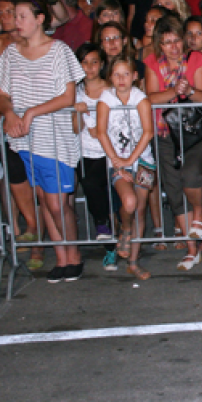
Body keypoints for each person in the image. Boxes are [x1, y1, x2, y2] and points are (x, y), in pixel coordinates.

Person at [0, 0, 86, 284]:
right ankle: (61, 258)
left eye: (21, 16)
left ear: (39, 19)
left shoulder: (59, 51)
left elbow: (68, 96)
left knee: (58, 203)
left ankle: (75, 254)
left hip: (55, 137)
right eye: (13, 16)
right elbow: (1, 94)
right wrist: (9, 113)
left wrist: (32, 111)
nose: (16, 21)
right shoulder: (10, 53)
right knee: (45, 199)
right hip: (25, 139)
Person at [144, 17, 202, 271]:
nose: (173, 47)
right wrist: (173, 91)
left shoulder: (197, 60)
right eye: (167, 42)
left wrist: (189, 90)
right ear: (160, 45)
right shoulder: (151, 64)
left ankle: (199, 215)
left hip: (193, 131)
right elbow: (151, 99)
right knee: (172, 189)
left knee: (191, 175)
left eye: (176, 40)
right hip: (164, 132)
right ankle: (192, 250)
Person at [98, 57, 156, 281]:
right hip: (117, 161)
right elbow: (101, 132)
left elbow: (148, 132)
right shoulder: (106, 98)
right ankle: (125, 229)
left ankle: (133, 261)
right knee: (129, 202)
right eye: (116, 74)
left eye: (125, 74)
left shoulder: (141, 99)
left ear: (134, 76)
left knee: (140, 210)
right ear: (110, 77)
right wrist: (116, 160)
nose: (121, 79)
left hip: (143, 162)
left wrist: (131, 159)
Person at [74, 43, 118, 269]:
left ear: (101, 64)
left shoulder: (111, 89)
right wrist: (78, 113)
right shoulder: (75, 91)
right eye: (84, 62)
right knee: (92, 189)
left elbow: (120, 121)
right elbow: (74, 128)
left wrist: (100, 126)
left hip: (110, 152)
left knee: (115, 200)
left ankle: (119, 243)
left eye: (94, 62)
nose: (89, 67)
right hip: (86, 152)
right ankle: (105, 234)